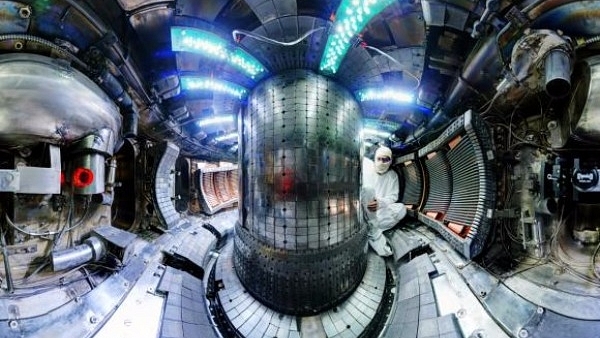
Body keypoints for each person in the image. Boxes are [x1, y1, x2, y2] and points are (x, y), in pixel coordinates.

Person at [361, 146, 407, 257]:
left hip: (379, 212)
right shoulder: (367, 167)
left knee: (401, 209)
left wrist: (380, 203)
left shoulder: (392, 176)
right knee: (368, 190)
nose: (382, 162)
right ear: (375, 159)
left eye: (385, 160)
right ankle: (369, 227)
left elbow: (393, 197)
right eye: (379, 159)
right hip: (361, 210)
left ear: (390, 161)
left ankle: (372, 229)